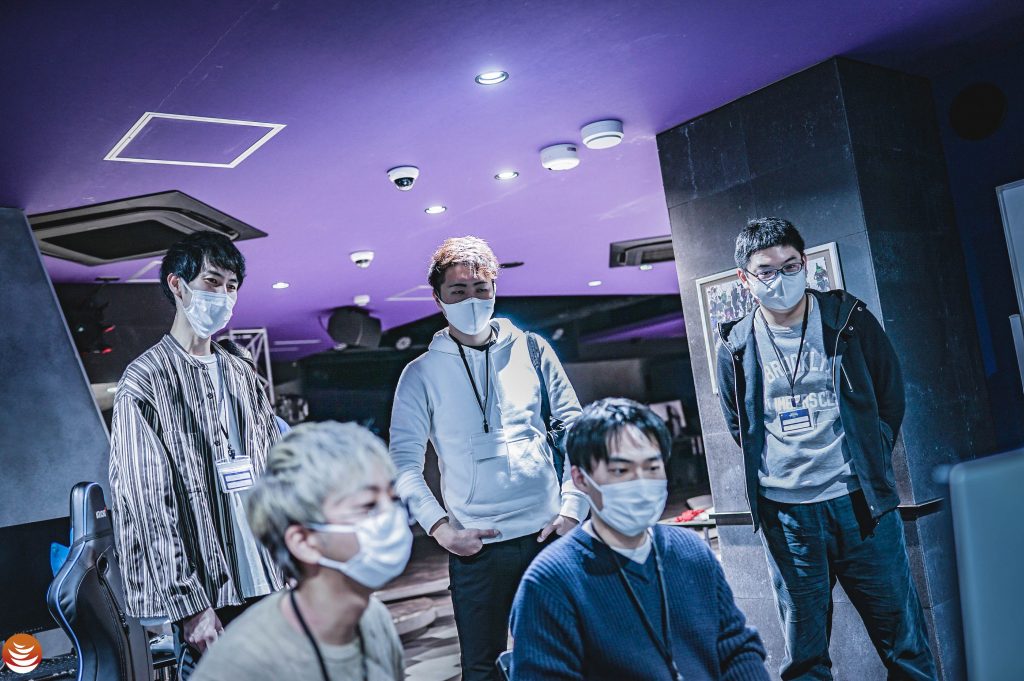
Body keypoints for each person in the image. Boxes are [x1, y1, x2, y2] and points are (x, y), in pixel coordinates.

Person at [716, 217, 936, 680]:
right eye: (766, 270)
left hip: (861, 507)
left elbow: (890, 394)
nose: (781, 278)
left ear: (804, 262)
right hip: (787, 517)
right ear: (744, 278)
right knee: (805, 658)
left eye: (790, 265)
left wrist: (872, 452)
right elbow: (740, 424)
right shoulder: (735, 344)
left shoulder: (847, 319)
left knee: (905, 645)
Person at [389, 236, 587, 680]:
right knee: (482, 670)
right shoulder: (420, 374)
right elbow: (403, 463)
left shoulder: (533, 349)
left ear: (495, 289)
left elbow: (578, 431)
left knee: (569, 658)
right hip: (477, 547)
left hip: (549, 535)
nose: (472, 300)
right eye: (458, 291)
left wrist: (574, 509)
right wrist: (441, 530)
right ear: (438, 298)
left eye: (481, 289)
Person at [108, 232, 283, 678]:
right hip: (211, 596)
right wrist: (189, 605)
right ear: (177, 284)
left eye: (231, 286)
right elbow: (148, 502)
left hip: (269, 579)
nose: (223, 295)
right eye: (211, 281)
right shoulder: (145, 380)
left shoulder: (242, 373)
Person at [509, 398, 768, 680]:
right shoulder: (550, 582)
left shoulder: (691, 551)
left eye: (652, 468)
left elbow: (736, 646)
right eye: (621, 470)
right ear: (581, 479)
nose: (641, 482)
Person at [192, 421, 408, 681]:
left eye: (393, 500)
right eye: (368, 506)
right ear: (303, 541)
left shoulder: (374, 619)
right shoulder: (240, 665)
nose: (390, 517)